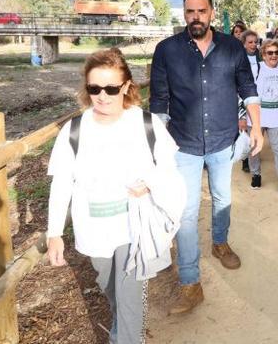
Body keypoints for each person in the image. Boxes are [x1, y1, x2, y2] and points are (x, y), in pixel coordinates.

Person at [47, 48, 186, 344]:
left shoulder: (146, 124)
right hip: (94, 231)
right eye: (94, 88)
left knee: (131, 301)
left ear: (126, 87)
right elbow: (61, 184)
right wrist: (54, 233)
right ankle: (121, 327)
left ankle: (126, 336)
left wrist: (150, 182)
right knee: (111, 289)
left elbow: (169, 169)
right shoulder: (74, 131)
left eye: (111, 88)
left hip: (135, 228)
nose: (103, 96)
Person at [150, 0, 264, 315]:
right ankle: (191, 283)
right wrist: (157, 145)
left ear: (212, 12)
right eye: (190, 11)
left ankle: (220, 242)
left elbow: (248, 89)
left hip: (223, 141)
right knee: (185, 213)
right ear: (184, 14)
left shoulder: (232, 48)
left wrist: (256, 127)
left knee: (222, 197)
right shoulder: (167, 50)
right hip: (183, 144)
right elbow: (159, 101)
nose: (196, 16)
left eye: (201, 11)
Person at [247, 39, 278, 195]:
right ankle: (256, 175)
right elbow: (245, 91)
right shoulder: (256, 68)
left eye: (276, 52)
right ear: (263, 54)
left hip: (276, 116)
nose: (274, 55)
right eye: (270, 52)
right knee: (254, 147)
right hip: (256, 116)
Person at [239, 30, 262, 174]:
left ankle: (254, 153)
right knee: (244, 128)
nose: (253, 45)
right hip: (244, 97)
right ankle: (245, 159)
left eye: (255, 42)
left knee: (255, 126)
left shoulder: (262, 56)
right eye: (250, 42)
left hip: (258, 97)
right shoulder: (239, 58)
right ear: (244, 43)